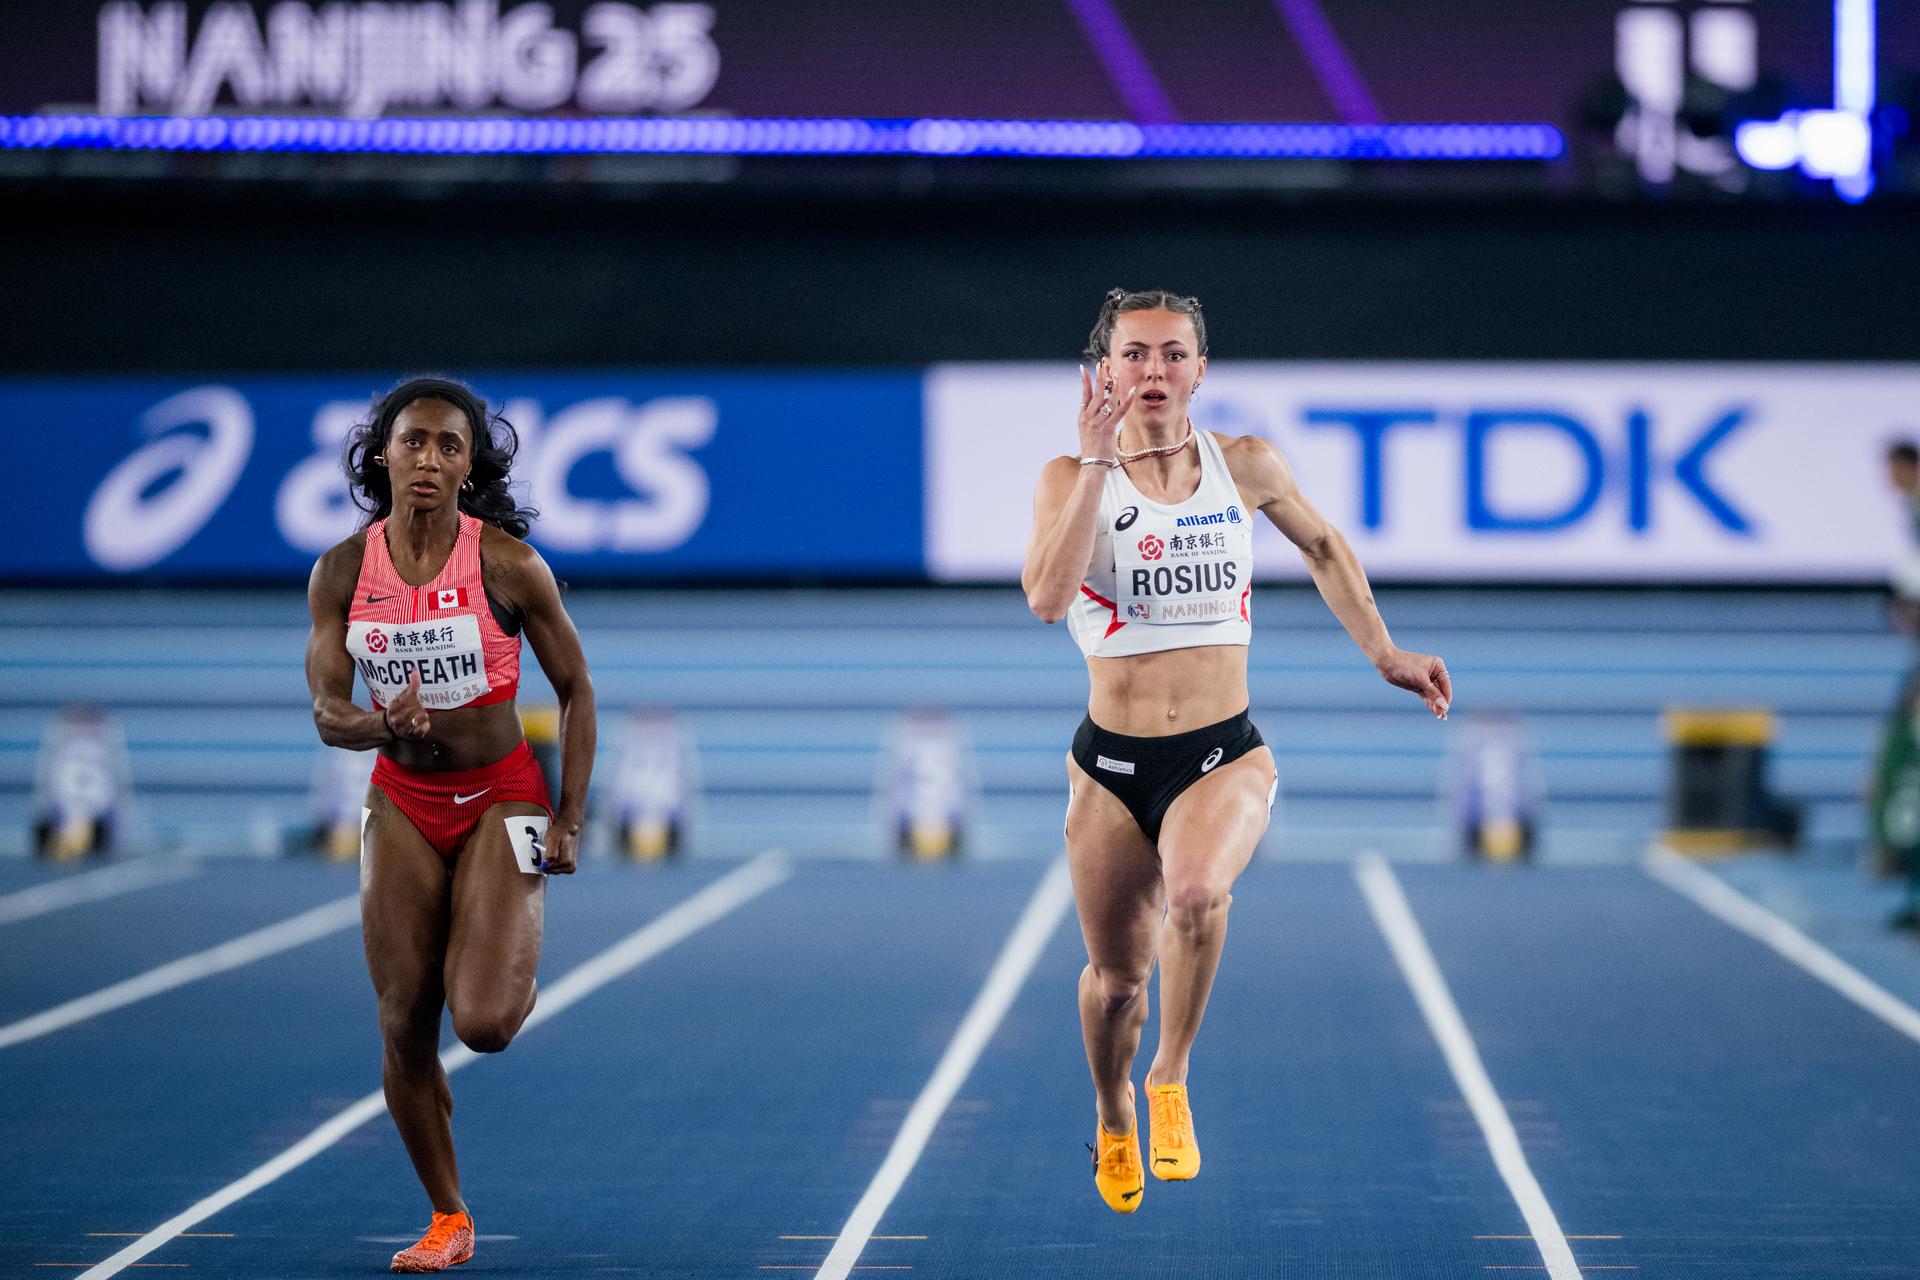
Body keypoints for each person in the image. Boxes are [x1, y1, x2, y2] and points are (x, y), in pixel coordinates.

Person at [1021, 289, 1450, 1213]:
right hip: (1110, 770)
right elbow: (1049, 600)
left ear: (1201, 369)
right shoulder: (1068, 477)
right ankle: (1113, 1112)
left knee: (1199, 893)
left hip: (1223, 752)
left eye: (1173, 354)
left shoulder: (1245, 464)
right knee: (1114, 981)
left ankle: (1170, 1077)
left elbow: (1328, 547)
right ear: (1105, 370)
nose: (1154, 372)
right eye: (1134, 355)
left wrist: (1385, 650)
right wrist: (1098, 461)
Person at [304, 376, 595, 1271]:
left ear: (470, 467)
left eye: (449, 446)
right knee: (402, 1022)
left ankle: (504, 952)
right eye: (414, 441)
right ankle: (448, 1216)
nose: (429, 458)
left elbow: (577, 691)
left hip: (503, 794)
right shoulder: (344, 571)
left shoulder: (506, 563)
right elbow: (326, 710)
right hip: (401, 800)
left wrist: (572, 816)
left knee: (485, 1023)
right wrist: (383, 725)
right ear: (381, 453)